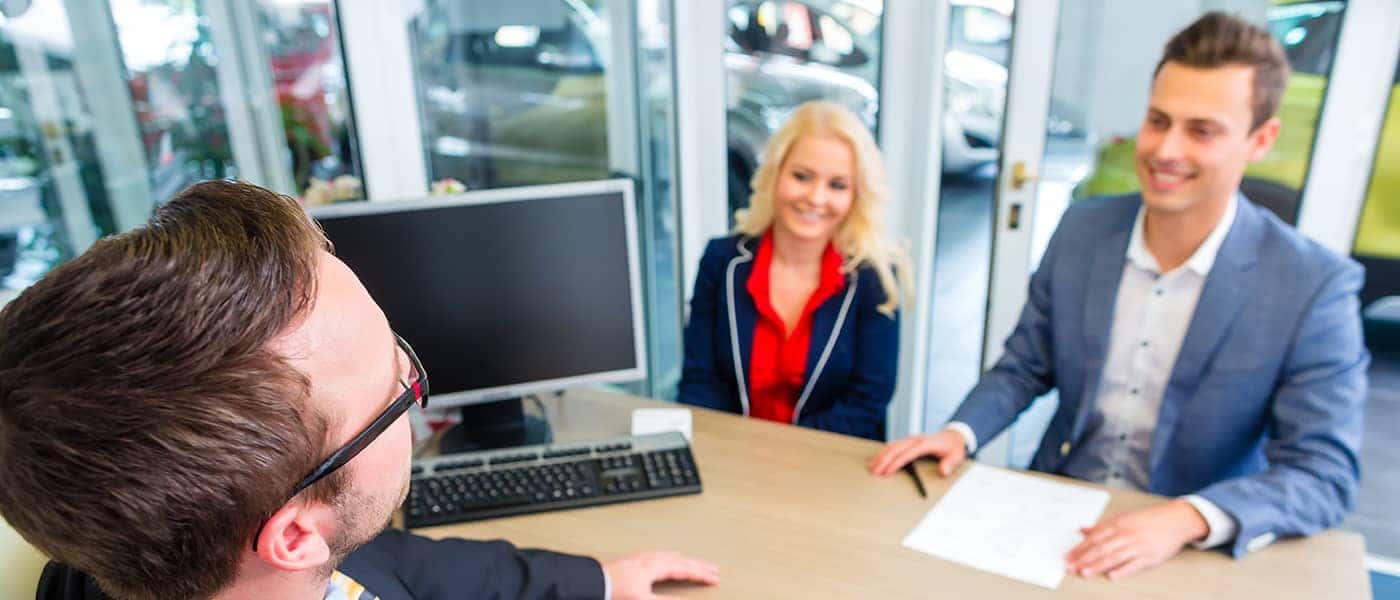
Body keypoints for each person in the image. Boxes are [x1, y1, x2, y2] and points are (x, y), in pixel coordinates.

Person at [0, 180, 719, 600]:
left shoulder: (132, 559)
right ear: (293, 533)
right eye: (397, 393)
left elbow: (402, 563)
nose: (415, 382)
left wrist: (600, 580)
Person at [870, 11, 1367, 579]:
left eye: (1201, 131)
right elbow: (1025, 366)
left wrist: (1186, 518)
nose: (1165, 150)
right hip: (1053, 520)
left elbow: (1323, 473)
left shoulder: (1312, 286)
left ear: (1261, 139)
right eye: (1158, 121)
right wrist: (960, 432)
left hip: (1189, 547)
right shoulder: (1083, 230)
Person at [678, 101, 912, 441]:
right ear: (775, 174)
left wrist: (776, 452)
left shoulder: (874, 279)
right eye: (802, 177)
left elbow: (865, 405)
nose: (816, 198)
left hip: (827, 464)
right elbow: (701, 382)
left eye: (837, 185)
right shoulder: (722, 261)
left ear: (856, 195)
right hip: (732, 454)